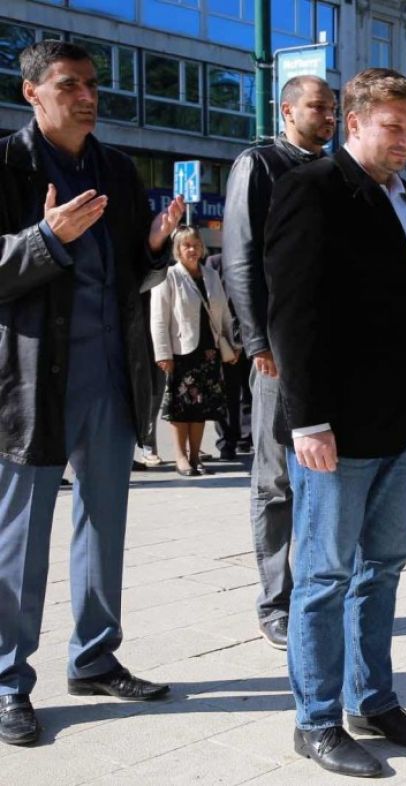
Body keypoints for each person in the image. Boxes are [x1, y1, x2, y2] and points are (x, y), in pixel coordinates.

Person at [0, 40, 184, 747]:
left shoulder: (114, 168)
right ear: (32, 94)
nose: (86, 96)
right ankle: (10, 681)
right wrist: (46, 237)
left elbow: (132, 272)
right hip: (33, 381)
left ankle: (95, 658)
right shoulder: (8, 165)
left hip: (111, 374)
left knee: (104, 527)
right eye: (69, 84)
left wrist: (156, 248)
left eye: (91, 85)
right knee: (20, 543)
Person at [265, 67, 406, 777]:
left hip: (399, 421)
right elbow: (293, 312)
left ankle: (373, 699)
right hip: (333, 429)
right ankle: (315, 720)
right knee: (323, 574)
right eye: (392, 128)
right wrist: (307, 420)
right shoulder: (312, 189)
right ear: (354, 124)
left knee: (384, 569)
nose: (405, 141)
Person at [222, 74, 336, 650]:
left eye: (334, 107)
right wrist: (258, 341)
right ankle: (274, 600)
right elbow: (239, 255)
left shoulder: (337, 171)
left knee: (324, 478)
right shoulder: (261, 165)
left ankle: (316, 590)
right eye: (318, 106)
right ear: (287, 110)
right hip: (278, 351)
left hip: (328, 352)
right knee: (275, 482)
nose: (329, 116)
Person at [151, 228, 240, 476]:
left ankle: (195, 456)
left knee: (201, 407)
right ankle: (180, 456)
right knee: (181, 407)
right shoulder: (169, 276)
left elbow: (222, 313)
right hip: (181, 351)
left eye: (196, 245)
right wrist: (163, 353)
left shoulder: (211, 275)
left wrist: (231, 344)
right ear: (177, 250)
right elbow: (159, 318)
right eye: (186, 245)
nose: (192, 249)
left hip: (208, 351)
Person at [205, 252, 249, 462]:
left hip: (252, 335)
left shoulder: (253, 255)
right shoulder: (215, 263)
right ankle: (227, 442)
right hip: (225, 336)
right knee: (228, 393)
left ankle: (246, 437)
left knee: (249, 391)